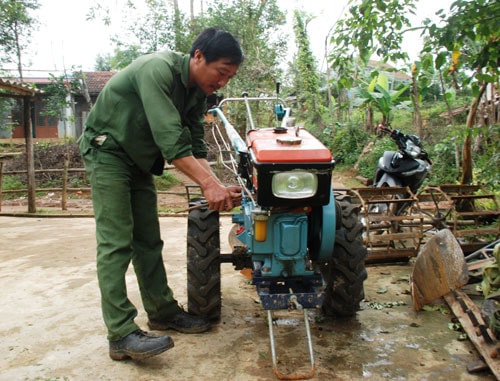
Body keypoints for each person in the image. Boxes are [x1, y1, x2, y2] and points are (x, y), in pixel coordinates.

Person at [78, 27, 244, 361]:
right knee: (116, 241)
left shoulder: (196, 92)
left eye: (230, 77)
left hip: (138, 159)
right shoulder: (158, 69)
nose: (223, 82)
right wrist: (208, 185)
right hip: (107, 151)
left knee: (148, 240)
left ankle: (162, 311)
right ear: (198, 56)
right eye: (221, 72)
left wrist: (215, 182)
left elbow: (195, 144)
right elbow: (170, 138)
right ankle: (120, 333)